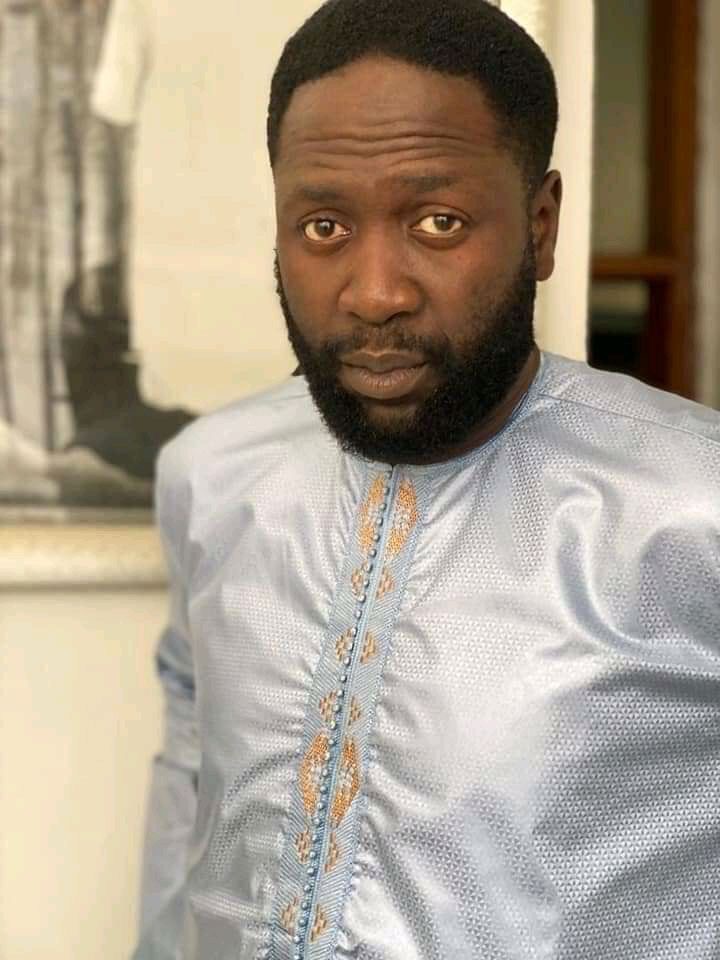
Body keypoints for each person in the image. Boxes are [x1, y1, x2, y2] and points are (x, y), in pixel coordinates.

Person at [132, 1, 720, 958]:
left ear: (540, 225)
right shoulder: (214, 475)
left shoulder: (693, 508)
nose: (375, 293)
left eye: (438, 222)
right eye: (323, 225)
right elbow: (190, 780)